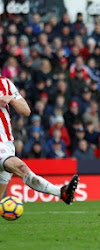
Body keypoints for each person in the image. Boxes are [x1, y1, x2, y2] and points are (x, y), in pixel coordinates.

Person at [0, 76, 78, 204]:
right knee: (22, 168)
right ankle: (61, 192)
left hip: (8, 144)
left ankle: (62, 193)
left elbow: (26, 111)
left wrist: (11, 99)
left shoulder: (5, 83)